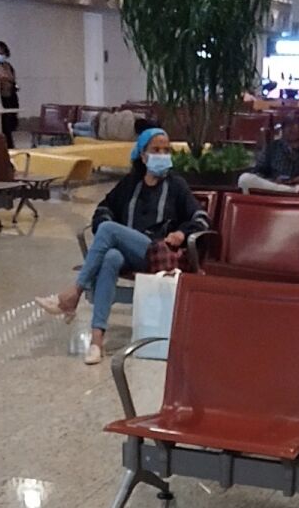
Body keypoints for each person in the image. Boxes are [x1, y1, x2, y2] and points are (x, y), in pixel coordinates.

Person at [37, 128, 209, 366]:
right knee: (111, 258)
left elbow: (200, 217)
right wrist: (109, 230)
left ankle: (73, 294)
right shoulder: (131, 184)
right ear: (143, 155)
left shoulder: (176, 185)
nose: (162, 155)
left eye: (166, 150)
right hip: (132, 254)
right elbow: (103, 209)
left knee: (108, 230)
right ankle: (97, 340)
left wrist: (182, 232)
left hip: (158, 252)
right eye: (156, 150)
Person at [238, 109, 299, 194]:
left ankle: (298, 190)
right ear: (282, 134)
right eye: (290, 142)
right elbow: (257, 172)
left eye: (298, 141)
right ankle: (296, 190)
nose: (294, 146)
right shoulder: (272, 149)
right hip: (274, 193)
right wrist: (273, 181)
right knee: (245, 179)